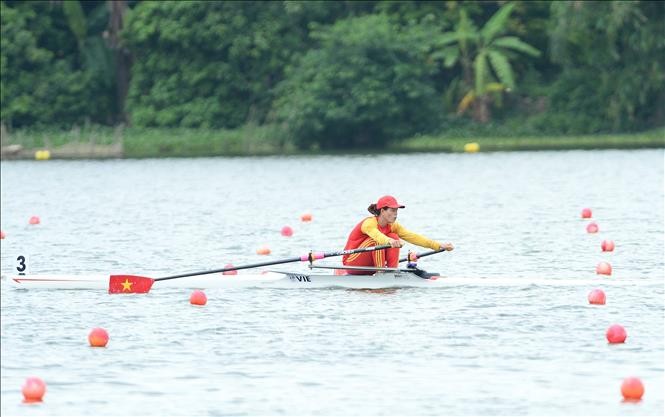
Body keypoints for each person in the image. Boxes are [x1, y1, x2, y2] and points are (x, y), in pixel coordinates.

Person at [341, 195, 454, 275]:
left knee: (395, 237)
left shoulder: (393, 226)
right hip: (352, 262)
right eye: (392, 210)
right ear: (382, 211)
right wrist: (389, 241)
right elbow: (377, 236)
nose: (395, 214)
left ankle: (391, 272)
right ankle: (382, 273)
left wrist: (439, 245)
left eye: (396, 211)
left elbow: (414, 237)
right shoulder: (369, 223)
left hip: (370, 264)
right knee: (380, 241)